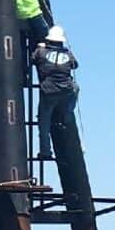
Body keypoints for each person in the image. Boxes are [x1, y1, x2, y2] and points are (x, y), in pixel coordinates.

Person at [35, 25, 79, 164]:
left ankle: (45, 151)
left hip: (49, 92)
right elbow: (75, 65)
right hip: (65, 91)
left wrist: (40, 47)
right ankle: (67, 114)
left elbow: (33, 59)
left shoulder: (41, 52)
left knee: (44, 122)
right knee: (76, 89)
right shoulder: (67, 54)